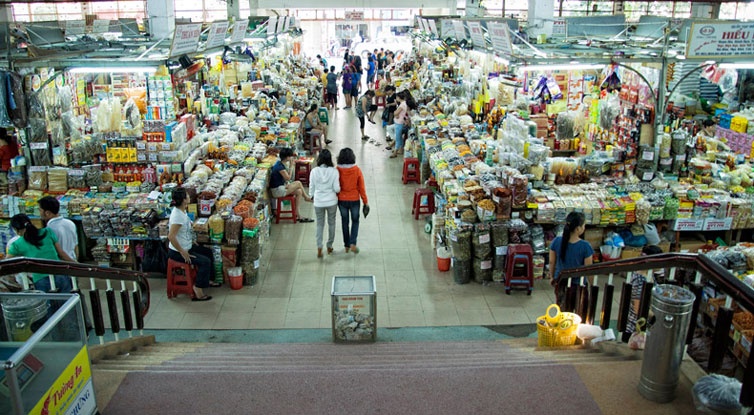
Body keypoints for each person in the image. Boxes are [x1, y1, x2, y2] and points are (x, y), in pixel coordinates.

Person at [167, 188, 218, 302]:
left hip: (187, 245)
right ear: (184, 200)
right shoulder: (177, 216)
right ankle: (198, 289)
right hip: (178, 252)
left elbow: (184, 231)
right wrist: (182, 251)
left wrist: (191, 240)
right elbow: (171, 236)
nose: (189, 198)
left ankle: (208, 280)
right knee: (205, 261)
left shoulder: (182, 211)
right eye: (188, 196)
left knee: (208, 252)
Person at [7, 214, 75, 292]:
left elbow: (7, 263)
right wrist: (77, 264)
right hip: (59, 274)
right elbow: (62, 254)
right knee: (68, 302)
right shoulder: (47, 232)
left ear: (16, 230)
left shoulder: (16, 244)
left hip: (40, 279)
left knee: (48, 303)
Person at [548, 212, 594, 308]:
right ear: (578, 229)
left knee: (563, 310)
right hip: (578, 285)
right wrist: (592, 284)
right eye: (584, 225)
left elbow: (552, 262)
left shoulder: (556, 241)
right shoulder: (585, 246)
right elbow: (588, 269)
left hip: (561, 282)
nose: (584, 228)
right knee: (579, 312)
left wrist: (552, 277)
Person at [623, 245, 664, 342]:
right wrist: (655, 318)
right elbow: (638, 308)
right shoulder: (640, 280)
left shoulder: (648, 274)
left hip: (642, 325)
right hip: (635, 329)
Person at [309, 149, 340, 258]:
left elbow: (311, 187)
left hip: (318, 202)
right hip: (331, 201)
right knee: (331, 223)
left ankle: (319, 247)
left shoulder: (314, 171)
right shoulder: (334, 171)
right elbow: (337, 189)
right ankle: (329, 245)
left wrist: (311, 196)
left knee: (319, 224)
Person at [337, 148, 369, 254]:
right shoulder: (357, 170)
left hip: (341, 200)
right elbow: (361, 188)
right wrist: (365, 201)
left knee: (344, 222)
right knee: (355, 221)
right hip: (354, 199)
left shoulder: (337, 170)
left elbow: (335, 185)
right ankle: (353, 243)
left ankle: (346, 245)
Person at [269, 147, 314, 222]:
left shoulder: (279, 163)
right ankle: (306, 198)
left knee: (299, 191)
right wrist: (291, 166)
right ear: (287, 157)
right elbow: (288, 178)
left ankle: (298, 214)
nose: (291, 158)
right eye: (290, 156)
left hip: (281, 187)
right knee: (298, 183)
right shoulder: (280, 167)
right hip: (277, 191)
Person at [38, 196, 78, 262]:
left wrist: (73, 263)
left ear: (47, 213)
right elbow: (76, 246)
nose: (39, 213)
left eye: (40, 210)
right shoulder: (70, 223)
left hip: (61, 266)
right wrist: (75, 262)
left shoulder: (49, 230)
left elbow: (60, 253)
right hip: (72, 262)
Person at [389, 92, 408, 158]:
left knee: (397, 137)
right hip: (400, 121)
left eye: (397, 97)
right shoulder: (404, 103)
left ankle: (395, 152)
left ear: (399, 98)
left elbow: (395, 113)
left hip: (399, 123)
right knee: (399, 137)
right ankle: (400, 150)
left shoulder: (402, 105)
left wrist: (395, 113)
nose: (396, 98)